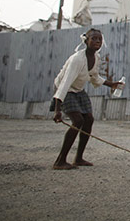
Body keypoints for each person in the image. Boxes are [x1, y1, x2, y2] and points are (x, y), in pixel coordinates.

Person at [52, 28, 122, 170]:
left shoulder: (96, 57)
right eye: (94, 39)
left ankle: (78, 158)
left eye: (99, 39)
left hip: (78, 90)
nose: (97, 41)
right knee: (78, 121)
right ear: (86, 40)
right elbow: (65, 83)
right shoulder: (77, 59)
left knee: (88, 119)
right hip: (66, 90)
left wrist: (112, 84)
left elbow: (94, 77)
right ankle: (60, 161)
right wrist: (57, 109)